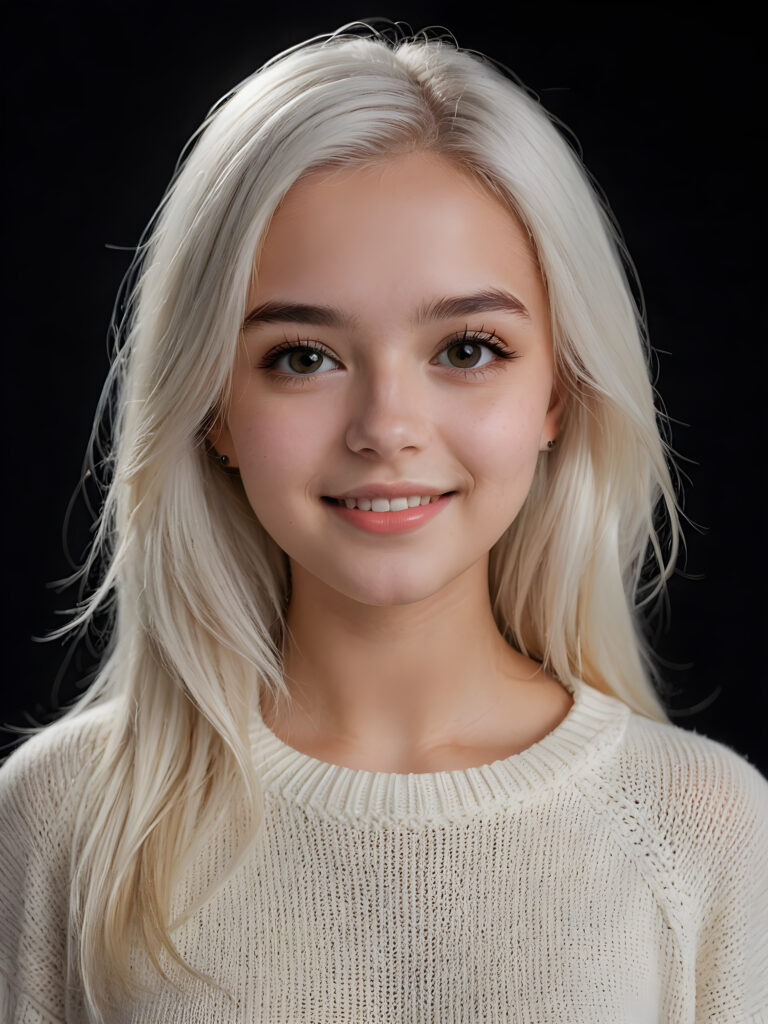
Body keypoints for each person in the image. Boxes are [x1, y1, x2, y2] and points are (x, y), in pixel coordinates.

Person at [1, 21, 766, 1024]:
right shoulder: (62, 818)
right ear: (214, 407)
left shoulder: (707, 829)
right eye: (303, 355)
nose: (386, 429)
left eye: (469, 347)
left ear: (559, 395)